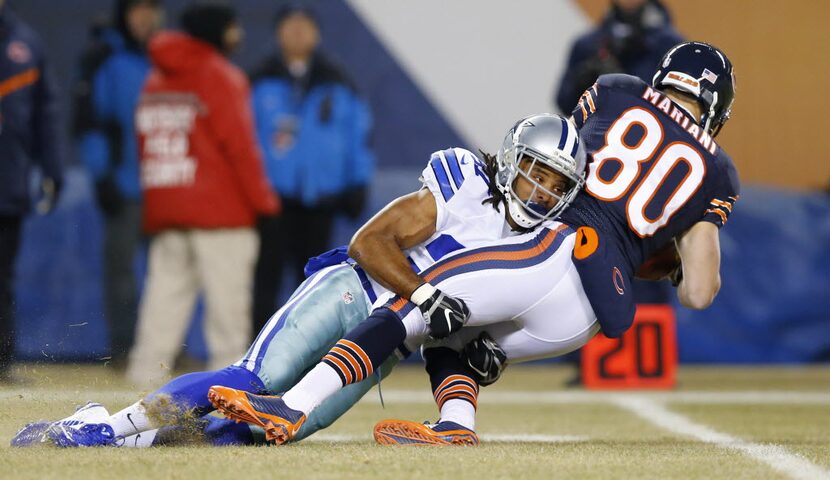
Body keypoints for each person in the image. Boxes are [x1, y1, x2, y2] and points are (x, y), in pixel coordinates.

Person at [208, 41, 740, 447]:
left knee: (418, 304)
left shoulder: (620, 91)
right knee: (460, 338)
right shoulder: (717, 172)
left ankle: (291, 406)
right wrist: (669, 260)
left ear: (663, 78)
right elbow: (696, 290)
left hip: (556, 251)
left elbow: (561, 164)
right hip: (589, 317)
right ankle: (455, 425)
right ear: (716, 107)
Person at [11, 113, 587, 448]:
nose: (539, 192)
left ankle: (138, 441)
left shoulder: (535, 250)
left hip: (381, 347)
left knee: (260, 434)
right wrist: (424, 292)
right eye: (535, 173)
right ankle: (103, 429)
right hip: (348, 293)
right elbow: (369, 242)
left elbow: (451, 333)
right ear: (512, 159)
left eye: (554, 185)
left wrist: (482, 357)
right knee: (253, 377)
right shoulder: (464, 185)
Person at [125, 3, 279, 387]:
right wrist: (265, 204)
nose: (238, 35)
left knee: (162, 307)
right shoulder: (221, 76)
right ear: (217, 32)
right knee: (227, 316)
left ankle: (141, 385)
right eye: (232, 28)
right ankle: (231, 391)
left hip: (169, 207)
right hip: (221, 214)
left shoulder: (155, 80)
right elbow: (240, 149)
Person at [250, 4, 374, 335]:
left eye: (304, 26)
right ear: (278, 32)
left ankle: (306, 353)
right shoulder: (258, 81)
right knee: (266, 279)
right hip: (271, 200)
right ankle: (256, 353)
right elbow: (242, 139)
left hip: (320, 199)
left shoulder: (338, 82)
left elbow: (357, 136)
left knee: (314, 284)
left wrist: (357, 183)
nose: (298, 32)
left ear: (316, 33)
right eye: (290, 25)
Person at [73, 0, 162, 369]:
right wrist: (102, 174)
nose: (144, 16)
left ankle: (159, 351)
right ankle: (124, 349)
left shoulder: (166, 56)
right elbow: (89, 121)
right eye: (136, 8)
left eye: (150, 8)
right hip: (124, 183)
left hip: (165, 186)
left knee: (168, 275)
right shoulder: (104, 56)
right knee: (123, 274)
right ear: (123, 14)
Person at [0, 0, 64, 383]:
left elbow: (46, 112)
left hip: (6, 183)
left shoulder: (26, 43)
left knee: (2, 277)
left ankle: (0, 363)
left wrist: (53, 168)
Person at [554, 0, 683, 115]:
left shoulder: (671, 46)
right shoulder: (588, 44)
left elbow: (680, 111)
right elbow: (565, 104)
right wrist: (580, 85)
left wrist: (624, 85)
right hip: (595, 135)